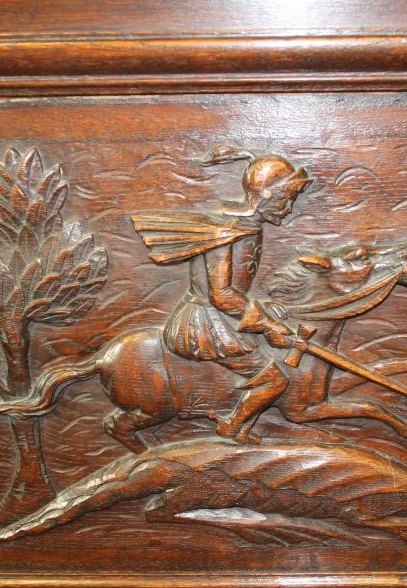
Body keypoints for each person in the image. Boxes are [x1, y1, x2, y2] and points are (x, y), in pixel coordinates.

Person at [131, 146, 312, 443]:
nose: (288, 208)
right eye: (286, 199)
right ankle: (231, 425)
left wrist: (265, 312)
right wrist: (268, 325)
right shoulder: (230, 230)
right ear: (266, 194)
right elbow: (222, 294)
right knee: (275, 380)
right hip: (207, 323)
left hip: (220, 317)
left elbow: (235, 293)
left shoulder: (244, 224)